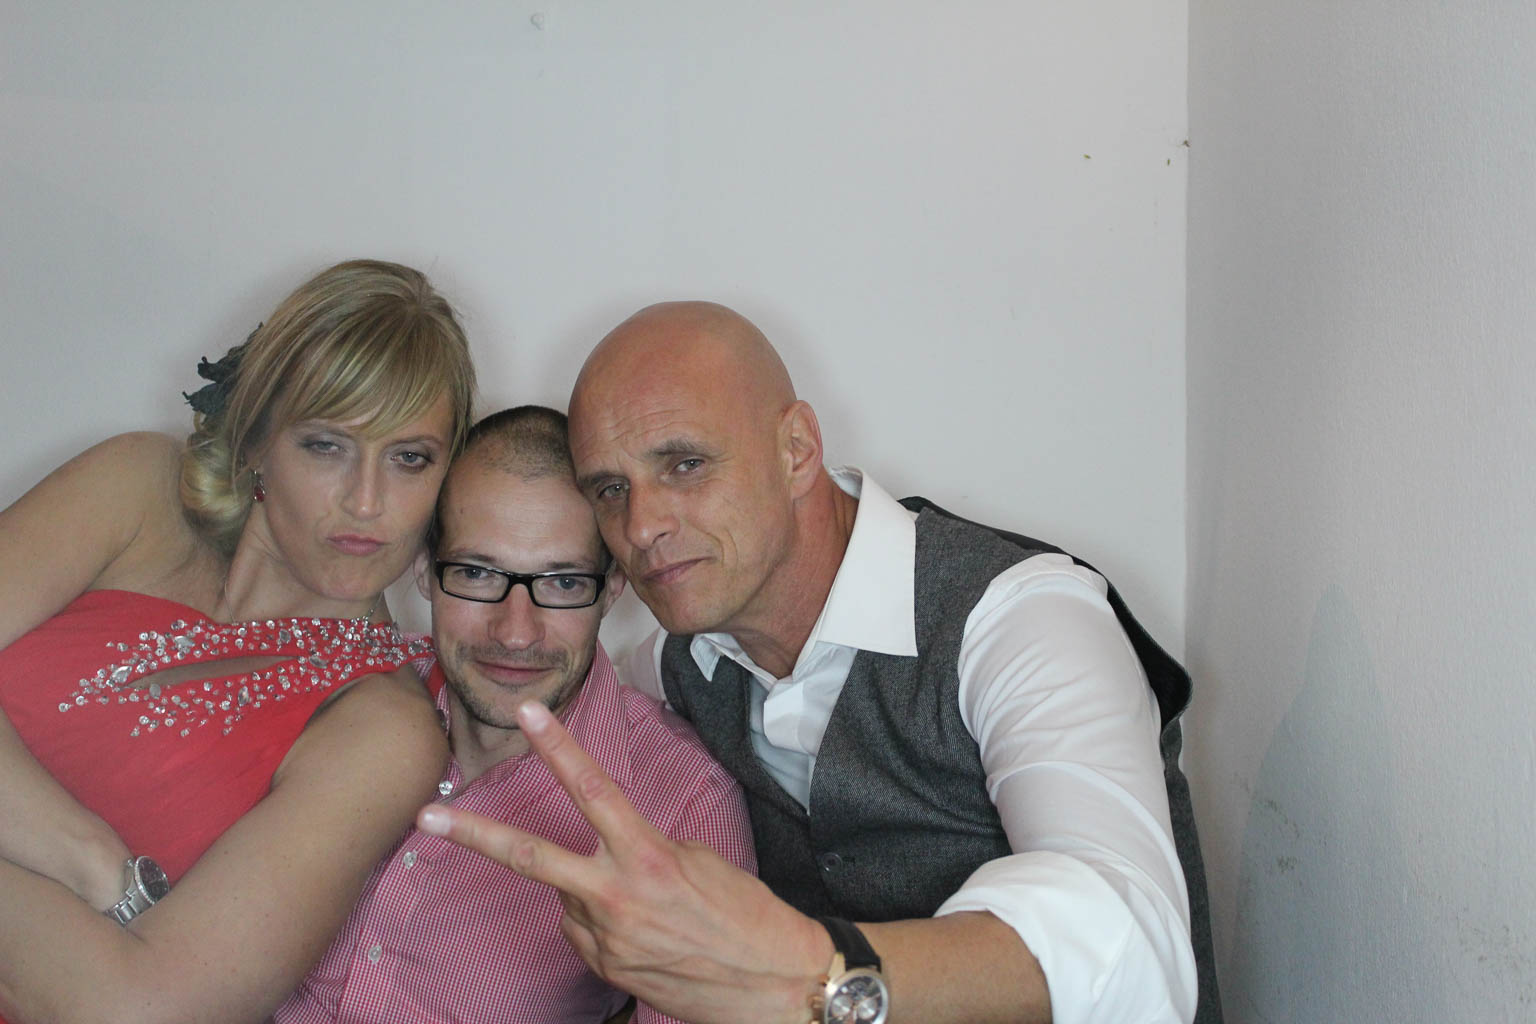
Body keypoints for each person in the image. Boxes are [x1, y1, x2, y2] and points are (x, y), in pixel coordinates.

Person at [419, 301, 1222, 1024]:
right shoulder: (669, 666)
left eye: (685, 464)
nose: (643, 525)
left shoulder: (1019, 616)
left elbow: (1132, 940)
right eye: (609, 489)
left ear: (797, 448)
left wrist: (806, 970)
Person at [0, 259, 477, 1024]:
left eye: (409, 458)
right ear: (255, 438)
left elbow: (139, 1012)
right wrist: (90, 862)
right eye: (326, 445)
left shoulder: (381, 731)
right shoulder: (137, 489)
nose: (366, 501)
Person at [274, 405, 755, 1024]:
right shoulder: (338, 691)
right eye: (477, 573)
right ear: (423, 571)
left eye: (562, 583)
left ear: (611, 590)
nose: (516, 632)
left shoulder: (682, 805)